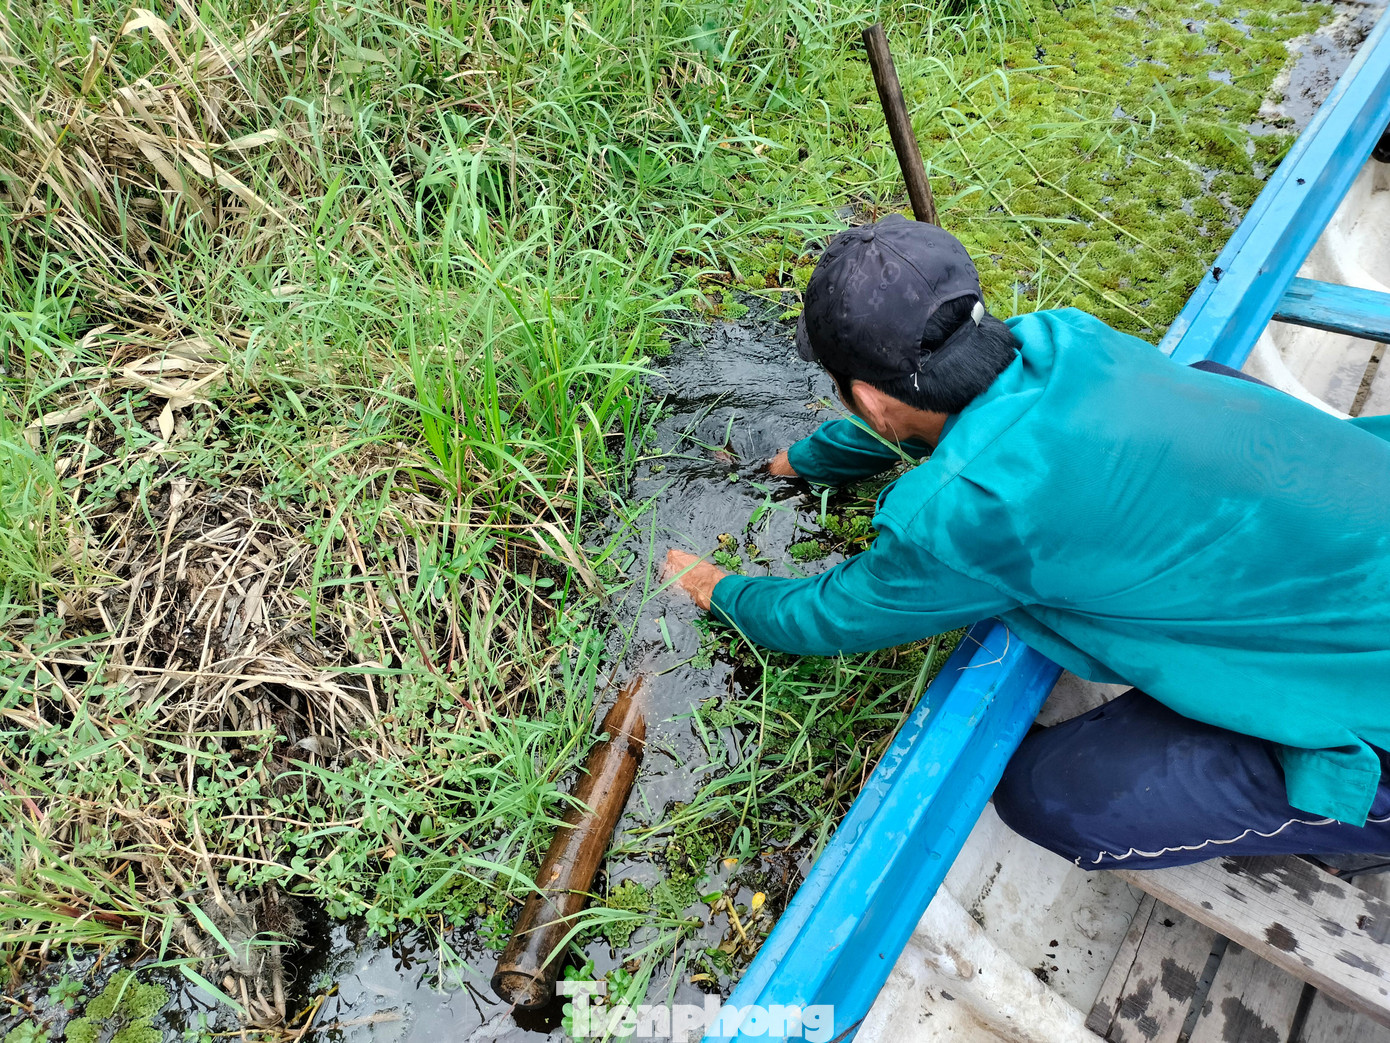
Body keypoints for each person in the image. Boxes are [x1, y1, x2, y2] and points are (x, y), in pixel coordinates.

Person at [663, 213, 1390, 873]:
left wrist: (714, 585)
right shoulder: (1063, 337)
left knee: (1046, 796)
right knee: (1200, 382)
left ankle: (1341, 820)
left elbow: (824, 616)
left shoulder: (969, 516)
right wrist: (803, 462)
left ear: (871, 399)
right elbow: (920, 417)